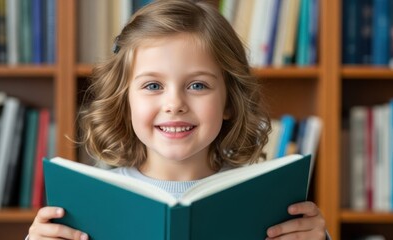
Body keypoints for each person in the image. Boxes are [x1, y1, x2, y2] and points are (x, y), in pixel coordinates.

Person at [28, 0, 328, 239]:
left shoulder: (271, 203)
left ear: (229, 101)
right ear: (125, 100)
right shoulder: (84, 204)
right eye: (152, 86)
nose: (174, 105)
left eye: (198, 85)